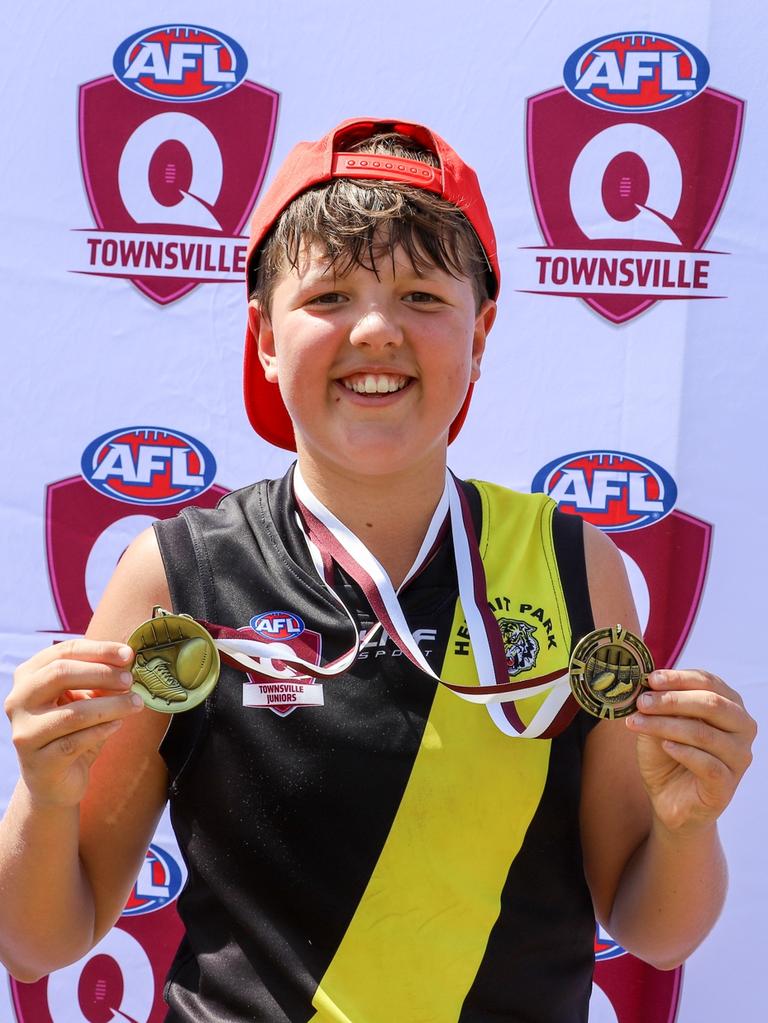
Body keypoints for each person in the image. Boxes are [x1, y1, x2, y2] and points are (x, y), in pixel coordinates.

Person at [0, 117, 756, 1022]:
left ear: (481, 331)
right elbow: (39, 939)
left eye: (422, 297)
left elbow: (656, 930)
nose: (374, 330)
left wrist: (687, 823)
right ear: (264, 337)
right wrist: (44, 798)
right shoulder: (175, 577)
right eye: (327, 297)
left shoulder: (573, 566)